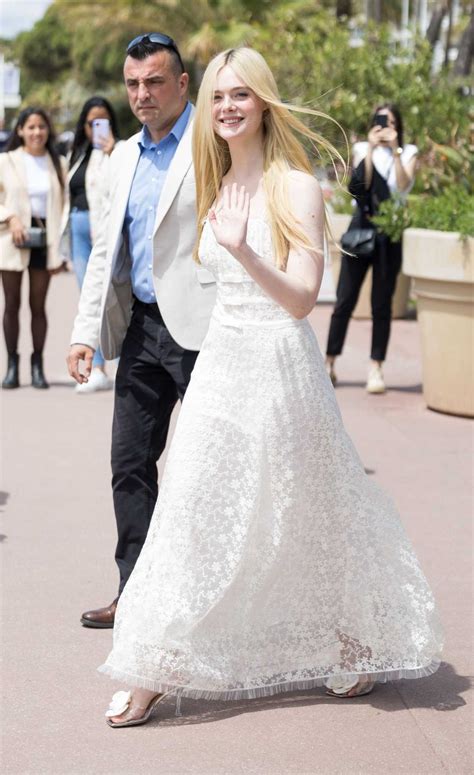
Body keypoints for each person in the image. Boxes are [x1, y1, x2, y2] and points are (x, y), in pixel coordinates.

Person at [97, 48, 442, 728]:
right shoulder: (213, 179)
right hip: (223, 360)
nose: (227, 106)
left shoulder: (296, 186)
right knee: (192, 502)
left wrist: (247, 250)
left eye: (241, 95)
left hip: (282, 363)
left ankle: (355, 638)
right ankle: (151, 665)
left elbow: (301, 299)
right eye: (220, 95)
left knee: (311, 505)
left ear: (263, 102)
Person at [67, 34, 216, 626]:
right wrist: (85, 332)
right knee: (129, 463)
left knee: (210, 468)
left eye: (154, 82)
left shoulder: (213, 145)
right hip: (143, 330)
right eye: (133, 84)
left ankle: (208, 600)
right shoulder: (123, 156)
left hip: (206, 333)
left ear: (182, 84)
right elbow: (107, 251)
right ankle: (135, 592)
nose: (142, 94)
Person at [326, 104, 418, 394]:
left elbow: (403, 187)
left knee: (382, 304)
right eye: (380, 121)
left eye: (390, 122)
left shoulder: (409, 152)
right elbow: (357, 187)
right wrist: (370, 148)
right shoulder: (363, 149)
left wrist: (396, 150)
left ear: (399, 126)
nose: (385, 127)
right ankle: (329, 363)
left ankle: (376, 367)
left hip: (388, 233)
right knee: (344, 300)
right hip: (360, 229)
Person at [0, 107, 68, 389]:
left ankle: (37, 365)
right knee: (12, 304)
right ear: (20, 131)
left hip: (45, 240)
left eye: (41, 127)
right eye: (30, 127)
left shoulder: (58, 162)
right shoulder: (6, 160)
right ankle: (12, 365)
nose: (36, 132)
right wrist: (10, 217)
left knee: (37, 306)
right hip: (13, 239)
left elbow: (64, 204)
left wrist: (61, 248)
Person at [64, 96, 121, 393]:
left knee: (101, 295)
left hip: (101, 229)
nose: (97, 128)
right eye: (91, 123)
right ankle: (95, 364)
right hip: (78, 227)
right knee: (86, 295)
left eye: (103, 121)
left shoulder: (119, 153)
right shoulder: (76, 154)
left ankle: (99, 367)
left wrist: (111, 150)